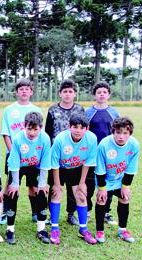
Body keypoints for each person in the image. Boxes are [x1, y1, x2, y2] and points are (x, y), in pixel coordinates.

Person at [49, 114, 98, 245]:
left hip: (76, 168)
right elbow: (53, 163)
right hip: (59, 168)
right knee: (56, 194)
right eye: (75, 127)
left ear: (87, 129)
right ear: (69, 127)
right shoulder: (60, 139)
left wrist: (82, 183)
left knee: (81, 196)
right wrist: (57, 184)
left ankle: (83, 229)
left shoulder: (92, 139)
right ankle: (54, 228)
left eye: (82, 128)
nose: (78, 130)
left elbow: (88, 162)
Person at [4, 112, 51, 245]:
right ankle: (10, 229)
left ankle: (41, 230)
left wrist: (42, 183)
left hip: (35, 166)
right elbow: (13, 162)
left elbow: (45, 161)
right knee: (13, 192)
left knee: (41, 192)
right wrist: (14, 183)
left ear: (40, 128)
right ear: (24, 126)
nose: (32, 132)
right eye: (29, 128)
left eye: (36, 129)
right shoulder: (18, 138)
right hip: (18, 165)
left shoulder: (45, 139)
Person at [45, 79, 87, 226]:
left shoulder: (80, 110)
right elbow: (48, 133)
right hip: (57, 155)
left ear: (74, 93)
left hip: (74, 156)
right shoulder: (52, 110)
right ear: (60, 93)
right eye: (65, 91)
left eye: (70, 91)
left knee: (73, 187)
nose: (68, 94)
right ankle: (52, 216)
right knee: (55, 186)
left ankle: (71, 213)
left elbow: (84, 131)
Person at [1, 78, 42, 224]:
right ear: (17, 91)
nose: (24, 91)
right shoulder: (9, 110)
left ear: (31, 91)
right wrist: (14, 153)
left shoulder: (36, 110)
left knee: (33, 185)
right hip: (13, 154)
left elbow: (40, 135)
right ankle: (5, 212)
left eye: (27, 89)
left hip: (33, 157)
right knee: (10, 183)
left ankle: (35, 213)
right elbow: (6, 133)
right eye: (21, 89)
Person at [94, 117, 140, 243]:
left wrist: (126, 186)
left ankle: (122, 230)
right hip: (105, 179)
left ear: (130, 133)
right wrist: (102, 188)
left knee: (125, 198)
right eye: (118, 132)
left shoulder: (134, 145)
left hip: (120, 179)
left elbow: (131, 169)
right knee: (101, 200)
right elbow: (100, 170)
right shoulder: (104, 144)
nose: (121, 136)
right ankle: (99, 231)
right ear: (113, 132)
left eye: (125, 133)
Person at [86, 81, 120, 226]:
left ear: (108, 95)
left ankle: (105, 211)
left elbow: (117, 133)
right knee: (89, 183)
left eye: (104, 92)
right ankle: (86, 211)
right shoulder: (88, 112)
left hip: (109, 154)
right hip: (92, 154)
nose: (101, 94)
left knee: (108, 182)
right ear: (95, 95)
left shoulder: (113, 113)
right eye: (99, 92)